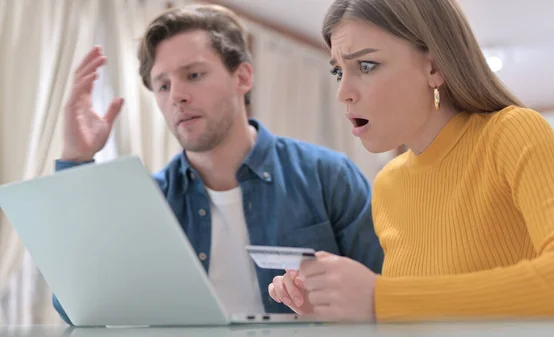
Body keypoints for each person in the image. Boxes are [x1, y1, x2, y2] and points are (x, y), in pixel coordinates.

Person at [51, 4, 384, 325]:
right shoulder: (146, 203)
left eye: (193, 75)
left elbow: (383, 296)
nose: (177, 96)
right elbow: (75, 307)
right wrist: (76, 161)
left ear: (243, 77)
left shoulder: (329, 176)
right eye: (163, 85)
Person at [269, 0, 554, 322]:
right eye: (338, 72)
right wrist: (339, 310)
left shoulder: (510, 133)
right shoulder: (388, 184)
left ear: (434, 67)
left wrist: (378, 298)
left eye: (366, 66)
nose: (343, 92)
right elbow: (419, 313)